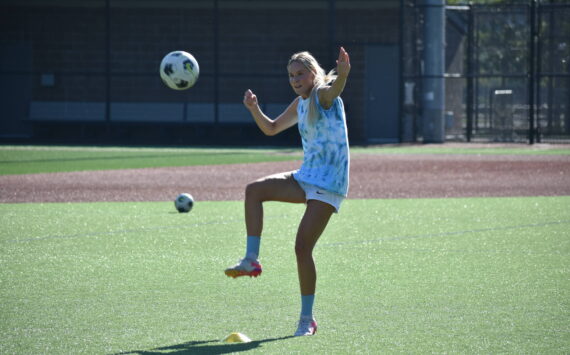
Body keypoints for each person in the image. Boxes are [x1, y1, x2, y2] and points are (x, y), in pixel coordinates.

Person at [224, 47, 351, 337]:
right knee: (254, 190)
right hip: (306, 177)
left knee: (302, 248)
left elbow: (334, 92)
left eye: (300, 73)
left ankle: (307, 320)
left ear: (313, 73)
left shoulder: (322, 94)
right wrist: (254, 108)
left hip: (329, 183)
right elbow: (271, 129)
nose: (295, 79)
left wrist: (342, 75)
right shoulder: (300, 103)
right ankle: (251, 260)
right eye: (291, 75)